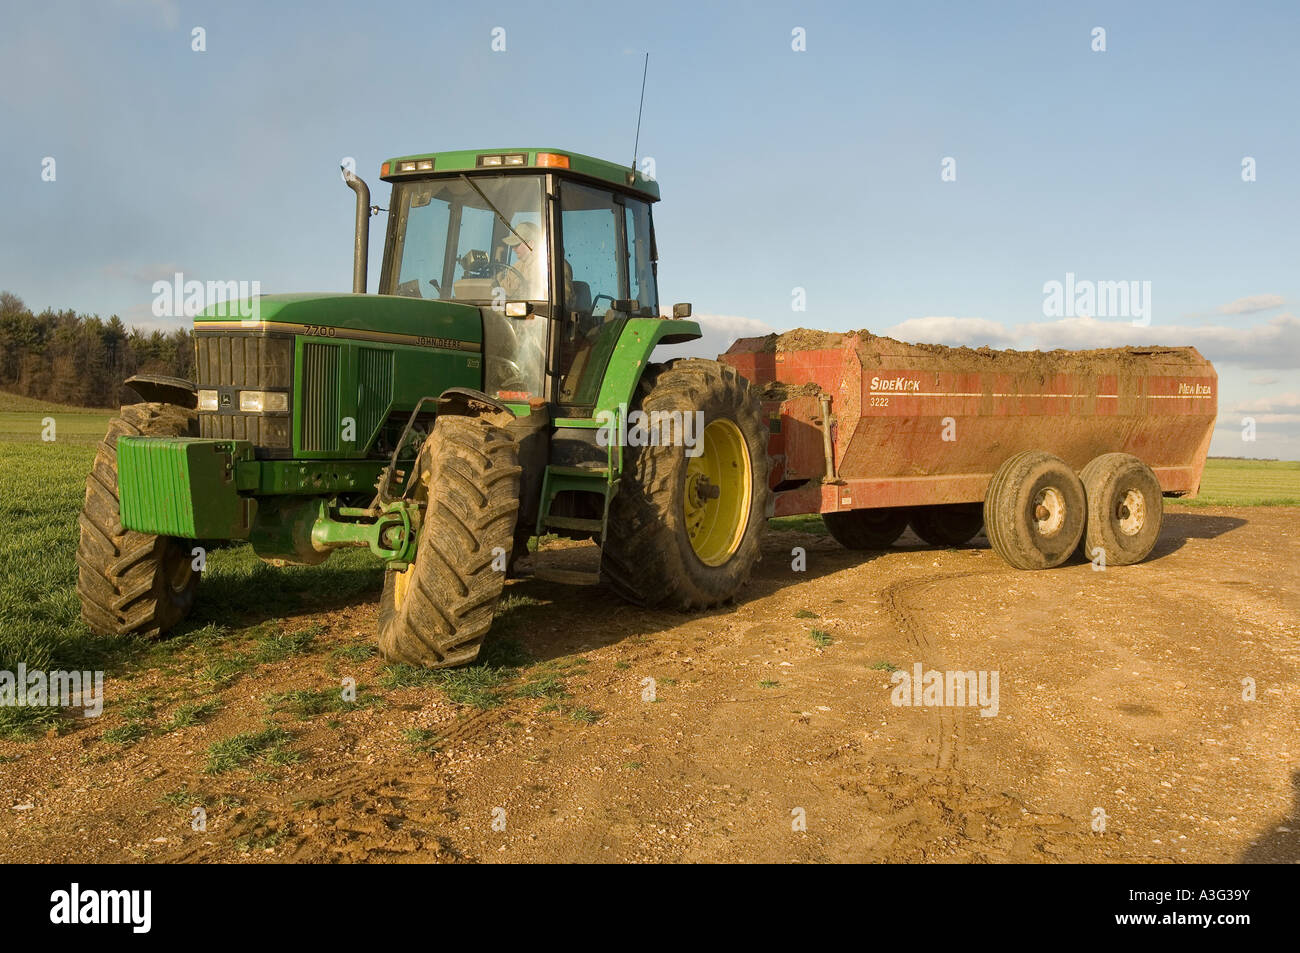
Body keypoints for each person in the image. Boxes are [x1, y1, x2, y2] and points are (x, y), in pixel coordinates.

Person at [498, 221, 546, 299]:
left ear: (530, 244)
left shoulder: (552, 268)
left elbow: (558, 301)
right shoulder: (516, 268)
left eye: (516, 244)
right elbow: (502, 291)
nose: (513, 249)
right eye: (512, 246)